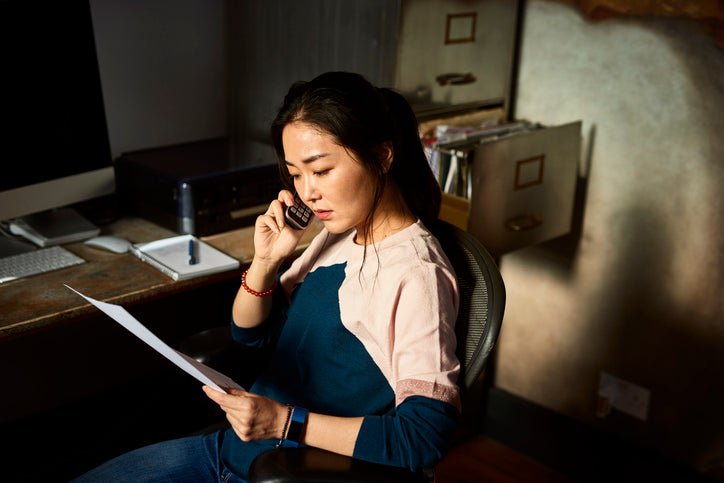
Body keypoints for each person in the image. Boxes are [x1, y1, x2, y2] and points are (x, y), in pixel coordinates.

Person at [72, 71, 461, 483]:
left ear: (383, 156)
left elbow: (422, 438)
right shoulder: (339, 234)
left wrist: (284, 422)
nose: (307, 192)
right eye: (295, 174)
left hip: (290, 470)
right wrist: (265, 261)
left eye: (321, 170)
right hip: (234, 449)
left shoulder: (417, 275)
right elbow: (251, 335)